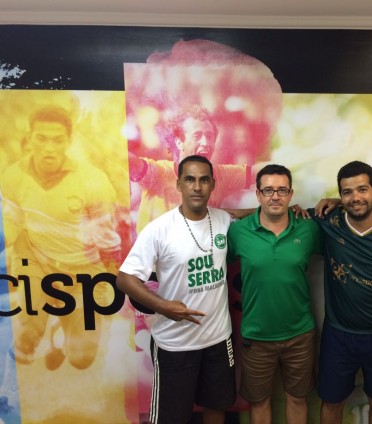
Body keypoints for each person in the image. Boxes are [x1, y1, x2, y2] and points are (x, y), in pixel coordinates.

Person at [0, 104, 121, 369]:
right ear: (30, 137)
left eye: (58, 140)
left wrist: (109, 285)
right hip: (37, 262)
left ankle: (60, 329)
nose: (49, 148)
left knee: (81, 359)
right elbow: (12, 223)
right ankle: (39, 319)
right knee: (24, 341)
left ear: (68, 141)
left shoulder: (92, 181)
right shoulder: (13, 177)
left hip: (83, 269)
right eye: (41, 138)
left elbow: (109, 242)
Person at [116, 155, 236, 424]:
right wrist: (163, 306)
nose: (197, 187)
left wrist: (290, 209)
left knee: (216, 407)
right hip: (175, 344)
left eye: (204, 180)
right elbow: (124, 279)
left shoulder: (222, 219)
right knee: (173, 417)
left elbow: (252, 216)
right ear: (179, 184)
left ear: (213, 184)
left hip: (218, 340)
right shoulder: (159, 229)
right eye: (190, 179)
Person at [311, 161, 372, 424]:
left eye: (362, 189)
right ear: (340, 196)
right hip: (339, 334)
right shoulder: (327, 221)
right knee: (331, 402)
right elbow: (279, 214)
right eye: (347, 192)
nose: (355, 197)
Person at [227, 164, 322, 424]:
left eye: (281, 190)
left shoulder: (309, 229)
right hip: (256, 337)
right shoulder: (238, 231)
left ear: (291, 194)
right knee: (259, 402)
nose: (275, 196)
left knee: (297, 398)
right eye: (268, 190)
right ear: (258, 194)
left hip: (300, 334)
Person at [129, 104, 254, 233]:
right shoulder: (158, 174)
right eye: (197, 136)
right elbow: (127, 160)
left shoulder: (220, 175)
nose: (205, 142)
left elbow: (262, 172)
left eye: (210, 136)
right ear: (179, 142)